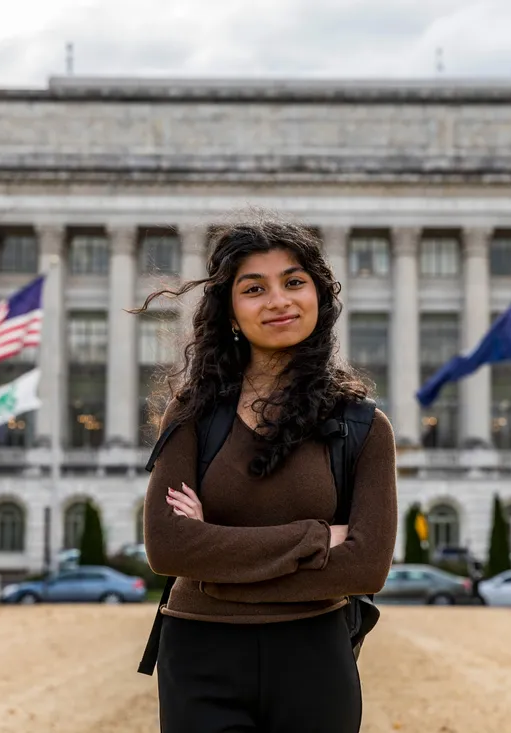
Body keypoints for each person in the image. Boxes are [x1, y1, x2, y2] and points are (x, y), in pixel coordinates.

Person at [135, 217, 398, 733]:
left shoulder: (363, 426)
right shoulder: (192, 414)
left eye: (294, 282)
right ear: (231, 311)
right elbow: (167, 549)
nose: (278, 300)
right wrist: (316, 537)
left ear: (318, 297)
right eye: (254, 288)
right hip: (200, 654)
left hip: (314, 654)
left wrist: (218, 566)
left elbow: (367, 567)